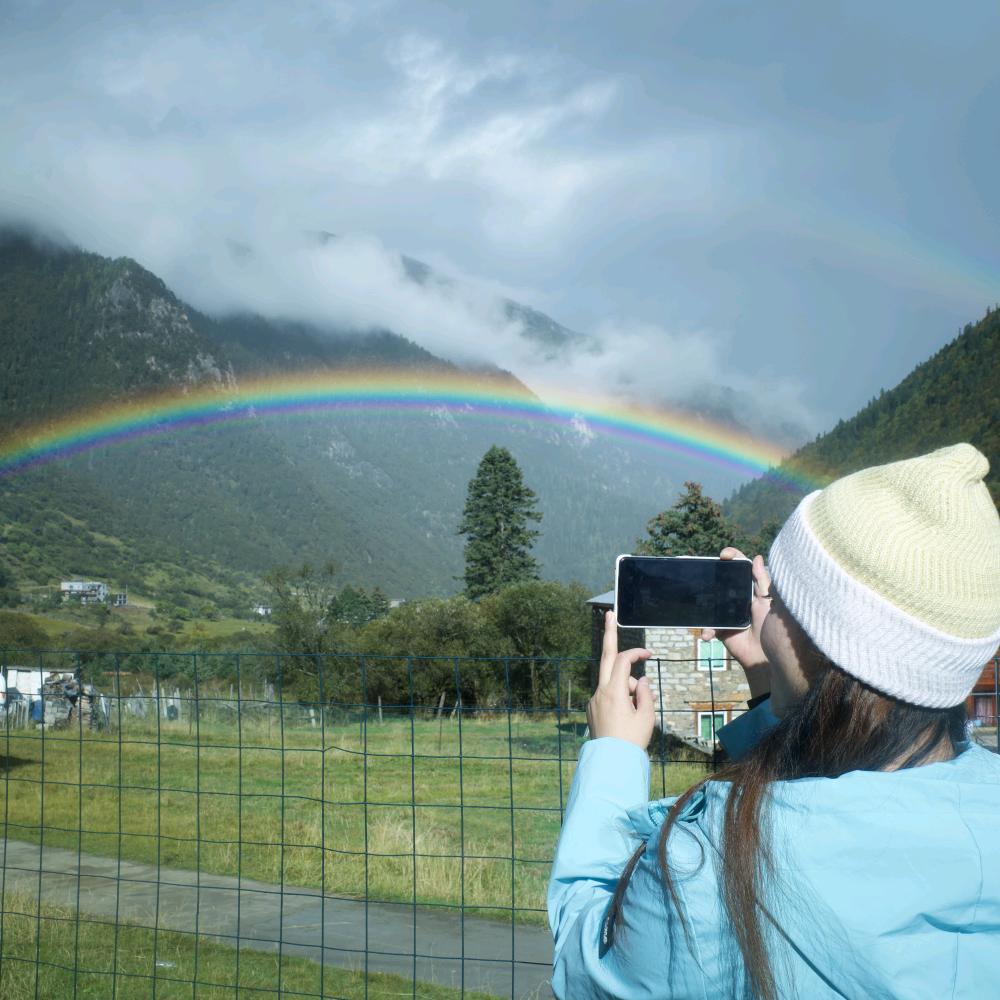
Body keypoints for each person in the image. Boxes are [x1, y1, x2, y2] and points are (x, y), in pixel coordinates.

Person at [548, 443, 1000, 999]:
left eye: (780, 598)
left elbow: (585, 968)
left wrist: (613, 757)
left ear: (820, 638)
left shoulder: (710, 868)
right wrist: (774, 681)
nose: (763, 621)